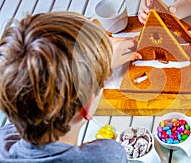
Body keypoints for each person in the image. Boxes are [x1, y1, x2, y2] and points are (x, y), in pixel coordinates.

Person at [0, 11, 133, 162]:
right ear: (87, 107)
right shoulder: (108, 156)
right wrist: (99, 67)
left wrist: (96, 67)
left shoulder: (3, 139)